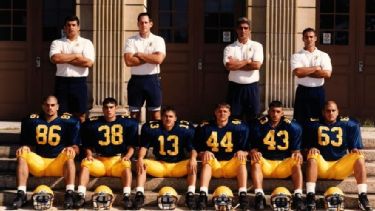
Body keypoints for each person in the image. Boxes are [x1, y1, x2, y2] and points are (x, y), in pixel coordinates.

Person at [11, 95, 80, 209]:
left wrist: (72, 148)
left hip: (57, 164)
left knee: (69, 153)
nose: (50, 108)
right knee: (22, 153)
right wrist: (25, 147)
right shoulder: (33, 120)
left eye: (53, 105)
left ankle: (70, 193)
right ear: (43, 106)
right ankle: (21, 194)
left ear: (58, 107)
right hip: (39, 163)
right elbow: (26, 143)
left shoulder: (69, 122)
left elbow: (77, 148)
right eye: (47, 105)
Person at [304, 101, 373, 211]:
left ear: (338, 112)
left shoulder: (348, 124)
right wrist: (311, 147)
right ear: (323, 112)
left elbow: (354, 147)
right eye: (327, 111)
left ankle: (363, 196)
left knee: (359, 157)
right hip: (322, 166)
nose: (330, 113)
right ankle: (310, 196)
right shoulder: (314, 124)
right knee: (312, 156)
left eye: (333, 110)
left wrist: (354, 149)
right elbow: (306, 147)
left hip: (340, 166)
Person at [74, 97, 138, 209]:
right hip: (99, 160)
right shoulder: (93, 123)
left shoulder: (126, 122)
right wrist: (89, 154)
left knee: (126, 165)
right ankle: (81, 195)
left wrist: (127, 156)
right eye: (106, 107)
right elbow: (87, 145)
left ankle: (126, 196)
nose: (109, 110)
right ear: (103, 109)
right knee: (85, 163)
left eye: (111, 107)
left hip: (117, 160)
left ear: (116, 108)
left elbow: (132, 145)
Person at [135, 106, 197, 210]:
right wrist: (140, 158)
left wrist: (193, 158)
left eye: (170, 116)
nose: (168, 119)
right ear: (161, 118)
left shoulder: (184, 130)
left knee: (192, 164)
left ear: (175, 118)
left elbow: (192, 149)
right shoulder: (153, 129)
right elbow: (144, 147)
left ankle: (190, 194)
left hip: (177, 166)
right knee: (143, 163)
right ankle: (139, 194)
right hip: (160, 165)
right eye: (165, 116)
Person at [249, 101, 305, 210]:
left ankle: (298, 195)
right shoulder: (259, 125)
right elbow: (253, 148)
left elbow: (295, 150)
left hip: (283, 163)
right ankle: (259, 196)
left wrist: (298, 155)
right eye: (273, 111)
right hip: (266, 162)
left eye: (278, 112)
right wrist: (254, 152)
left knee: (296, 162)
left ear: (282, 113)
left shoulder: (293, 126)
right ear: (268, 112)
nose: (275, 114)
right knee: (255, 161)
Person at [194, 103, 249, 210]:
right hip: (214, 165)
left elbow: (247, 150)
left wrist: (243, 152)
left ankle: (243, 195)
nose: (222, 114)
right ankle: (203, 195)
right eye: (220, 111)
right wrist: (203, 153)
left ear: (229, 113)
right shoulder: (205, 127)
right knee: (207, 157)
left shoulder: (239, 127)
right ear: (215, 113)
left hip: (230, 165)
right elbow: (197, 150)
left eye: (225, 111)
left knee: (241, 159)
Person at [49, 15, 95, 123]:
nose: (71, 28)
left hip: (79, 82)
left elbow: (88, 62)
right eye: (68, 25)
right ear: (64, 28)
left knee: (81, 114)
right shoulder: (57, 42)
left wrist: (64, 58)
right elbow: (55, 58)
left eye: (74, 25)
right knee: (61, 114)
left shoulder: (86, 43)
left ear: (78, 27)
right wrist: (76, 56)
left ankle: (80, 138)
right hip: (62, 82)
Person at [124, 12, 166, 122]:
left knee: (156, 116)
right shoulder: (131, 40)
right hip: (136, 80)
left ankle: (154, 138)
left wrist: (140, 55)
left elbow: (158, 59)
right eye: (141, 23)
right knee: (134, 116)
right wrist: (150, 57)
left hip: (152, 80)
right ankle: (134, 139)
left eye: (146, 22)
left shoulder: (158, 40)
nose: (143, 25)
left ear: (151, 24)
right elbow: (128, 61)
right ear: (138, 24)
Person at [223, 17, 264, 122]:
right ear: (236, 30)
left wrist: (237, 63)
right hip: (235, 89)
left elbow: (256, 66)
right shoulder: (229, 48)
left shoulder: (257, 46)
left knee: (253, 118)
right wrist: (247, 61)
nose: (243, 31)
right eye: (240, 28)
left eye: (246, 28)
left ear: (250, 30)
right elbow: (229, 66)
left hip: (251, 88)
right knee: (234, 119)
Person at [291, 27, 332, 125]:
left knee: (319, 120)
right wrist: (316, 68)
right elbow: (298, 73)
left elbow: (327, 74)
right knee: (300, 120)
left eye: (311, 37)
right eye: (306, 37)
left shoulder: (324, 55)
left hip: (318, 91)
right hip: (302, 91)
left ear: (315, 38)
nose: (309, 39)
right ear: (303, 39)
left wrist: (305, 71)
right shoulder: (296, 56)